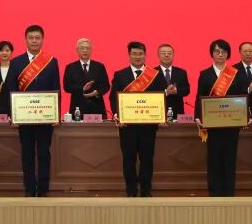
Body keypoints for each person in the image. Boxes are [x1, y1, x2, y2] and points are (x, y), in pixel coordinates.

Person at [195, 39, 252, 197]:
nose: (220, 54)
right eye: (217, 51)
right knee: (214, 159)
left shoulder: (236, 73)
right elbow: (199, 97)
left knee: (230, 158)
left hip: (231, 124)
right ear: (212, 54)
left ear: (228, 54)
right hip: (212, 125)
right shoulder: (205, 74)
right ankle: (214, 192)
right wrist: (198, 117)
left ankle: (229, 192)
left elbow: (243, 96)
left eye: (223, 52)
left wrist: (245, 115)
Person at [7, 24, 60, 197]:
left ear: (42, 39)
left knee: (44, 153)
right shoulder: (16, 62)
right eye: (31, 38)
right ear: (26, 39)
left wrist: (56, 114)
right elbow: (11, 89)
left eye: (37, 38)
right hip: (24, 118)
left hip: (45, 117)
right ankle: (29, 188)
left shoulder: (51, 61)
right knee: (27, 153)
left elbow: (56, 88)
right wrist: (13, 116)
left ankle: (43, 188)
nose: (34, 41)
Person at [110, 41, 167, 197]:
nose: (137, 57)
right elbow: (113, 98)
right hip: (127, 126)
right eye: (134, 54)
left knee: (147, 158)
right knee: (128, 159)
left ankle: (146, 190)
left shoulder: (155, 75)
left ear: (145, 55)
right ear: (129, 55)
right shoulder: (120, 74)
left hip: (148, 126)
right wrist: (117, 115)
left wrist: (161, 115)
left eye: (140, 54)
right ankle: (131, 190)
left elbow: (161, 97)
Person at [63, 38, 110, 118]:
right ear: (77, 50)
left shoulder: (99, 66)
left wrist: (97, 92)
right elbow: (66, 87)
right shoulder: (70, 67)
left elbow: (106, 86)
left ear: (91, 50)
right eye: (82, 48)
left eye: (87, 48)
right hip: (78, 108)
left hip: (97, 107)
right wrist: (82, 89)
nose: (85, 50)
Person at [157, 44, 191, 115]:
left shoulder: (181, 72)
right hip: (159, 112)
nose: (166, 55)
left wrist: (176, 90)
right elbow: (150, 93)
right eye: (163, 53)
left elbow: (186, 90)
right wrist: (166, 92)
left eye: (169, 53)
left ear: (173, 55)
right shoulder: (152, 72)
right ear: (158, 55)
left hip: (177, 111)